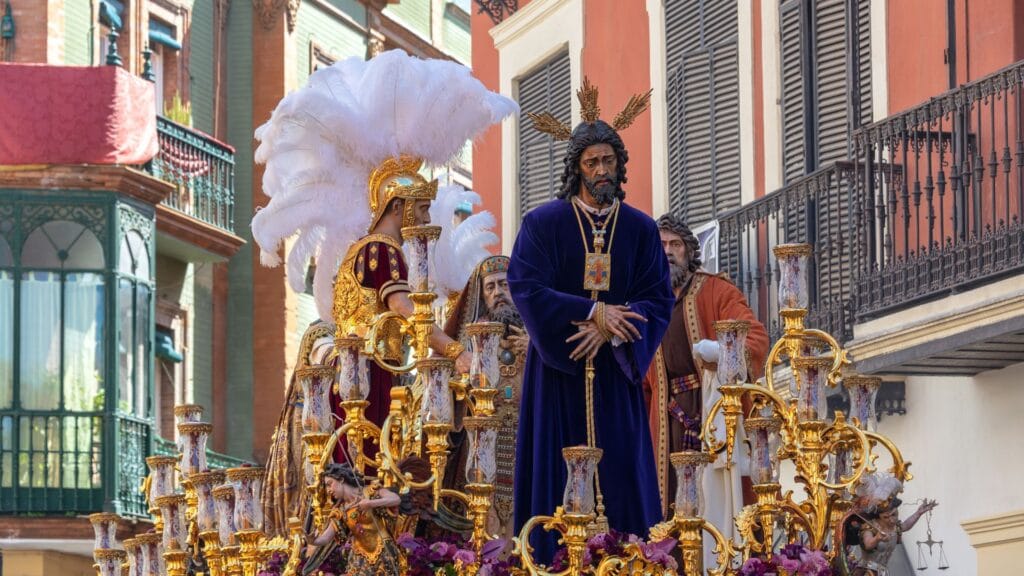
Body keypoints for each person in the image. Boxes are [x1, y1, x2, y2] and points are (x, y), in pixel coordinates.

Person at [251, 51, 517, 472]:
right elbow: (403, 309)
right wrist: (455, 352)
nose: (428, 220)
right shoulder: (380, 250)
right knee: (368, 472)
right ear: (399, 205)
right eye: (422, 208)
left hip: (375, 371)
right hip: (368, 377)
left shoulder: (368, 248)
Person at [509, 80, 674, 562]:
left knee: (623, 474)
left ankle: (631, 563)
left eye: (609, 161)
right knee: (553, 478)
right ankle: (549, 563)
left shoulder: (641, 230)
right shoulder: (543, 224)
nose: (602, 170)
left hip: (614, 376)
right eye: (591, 162)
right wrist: (589, 311)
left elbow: (658, 298)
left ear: (620, 165)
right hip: (557, 375)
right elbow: (526, 287)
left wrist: (612, 325)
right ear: (576, 167)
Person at [442, 255, 528, 539]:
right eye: (489, 288)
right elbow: (451, 399)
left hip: (528, 447)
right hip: (482, 456)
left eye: (503, 285)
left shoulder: (536, 338)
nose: (497, 293)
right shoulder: (472, 346)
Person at [301, 462, 403, 576]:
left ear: (341, 480)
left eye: (330, 484)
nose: (328, 490)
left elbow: (395, 499)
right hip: (359, 556)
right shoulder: (340, 511)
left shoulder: (370, 491)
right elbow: (326, 537)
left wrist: (371, 503)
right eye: (327, 487)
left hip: (383, 551)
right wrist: (313, 541)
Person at [843, 473, 938, 576]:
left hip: (882, 572)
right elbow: (868, 544)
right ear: (879, 516)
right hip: (867, 572)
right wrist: (877, 538)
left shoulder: (895, 527)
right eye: (886, 517)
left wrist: (918, 513)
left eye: (894, 515)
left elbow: (906, 525)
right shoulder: (870, 527)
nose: (892, 520)